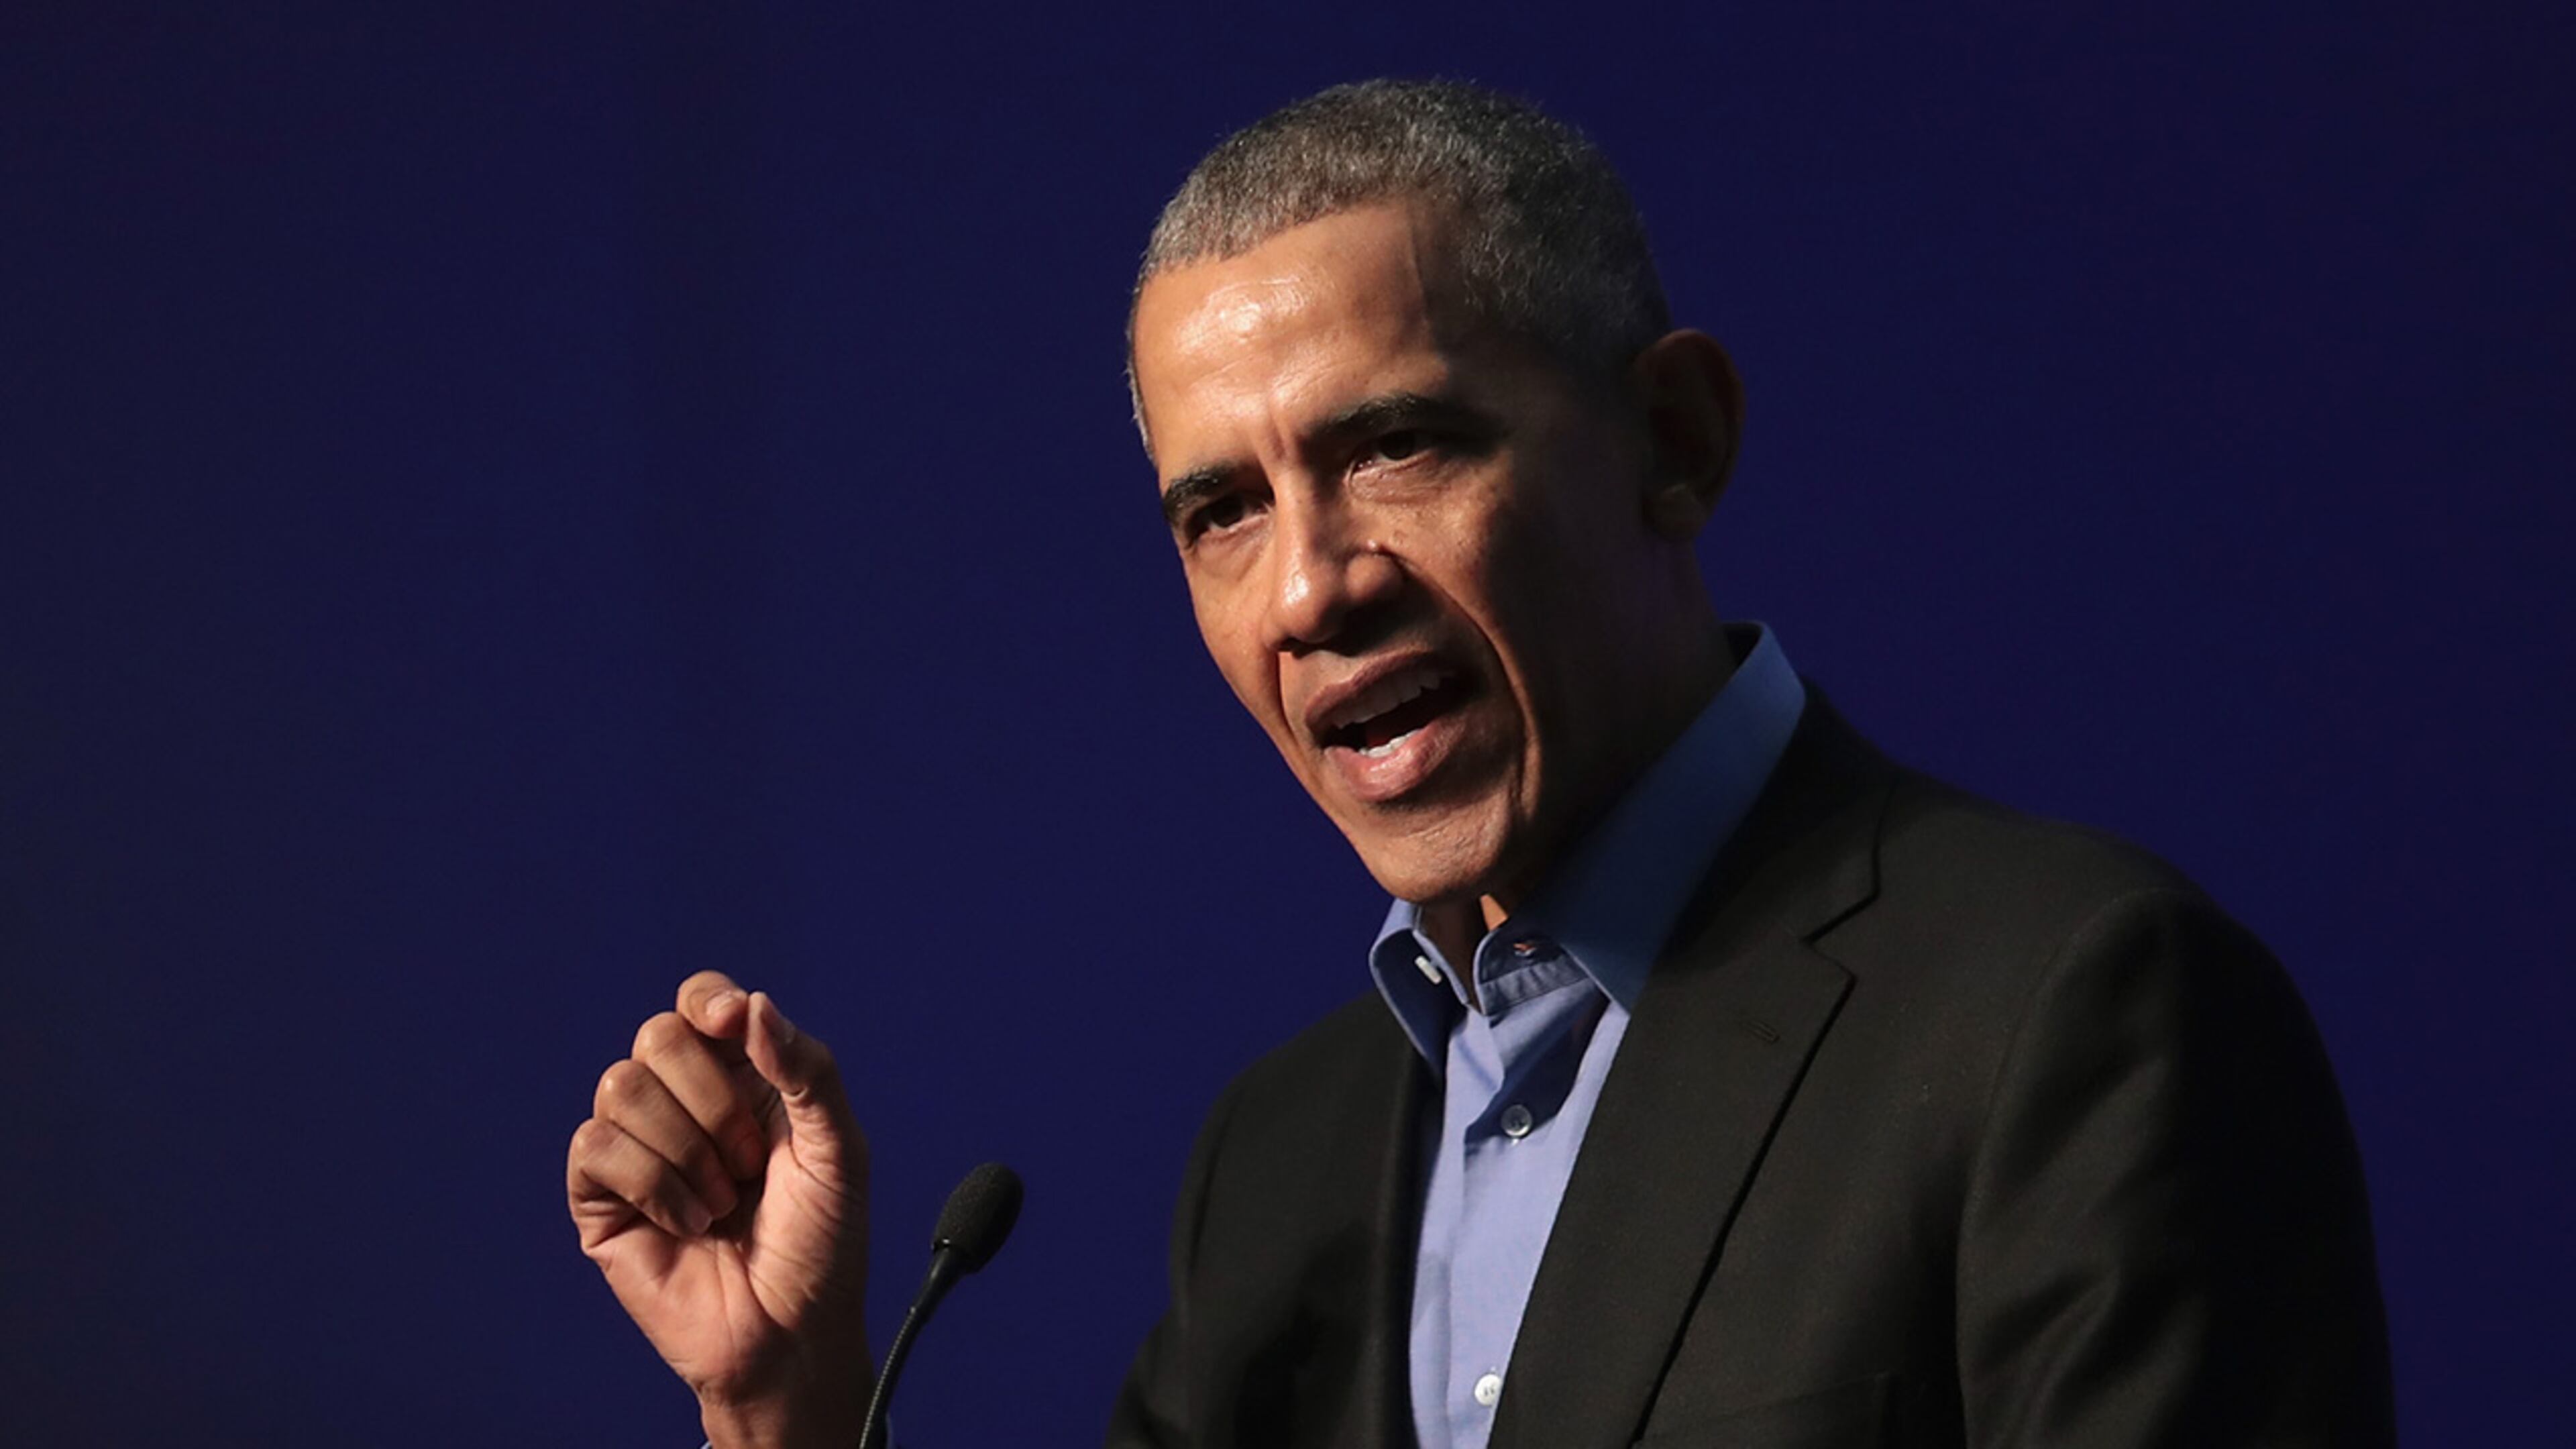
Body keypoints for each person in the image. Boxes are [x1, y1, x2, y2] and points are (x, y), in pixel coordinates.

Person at [566, 80, 2394, 1448]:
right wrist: (785, 1411)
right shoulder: (1275, 1165)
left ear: (1672, 443)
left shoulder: (2068, 1015)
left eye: (1401, 447)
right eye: (1221, 512)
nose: (1312, 584)